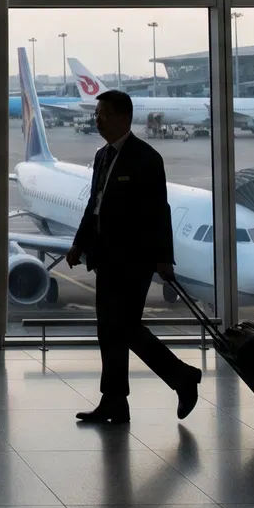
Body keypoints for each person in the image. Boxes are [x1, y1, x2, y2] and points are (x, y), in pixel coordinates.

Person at [66, 89, 202, 424]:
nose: (96, 120)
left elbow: (160, 212)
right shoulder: (101, 156)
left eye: (102, 115)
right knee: (109, 331)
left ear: (123, 117)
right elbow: (94, 207)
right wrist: (79, 243)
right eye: (96, 115)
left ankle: (181, 376)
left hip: (135, 260)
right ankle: (115, 402)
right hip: (106, 258)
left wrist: (164, 258)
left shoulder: (147, 158)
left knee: (124, 328)